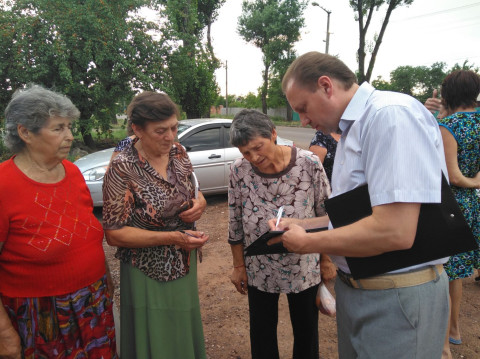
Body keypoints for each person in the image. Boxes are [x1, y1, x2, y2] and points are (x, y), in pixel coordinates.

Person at [270, 52, 450, 359]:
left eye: (302, 108)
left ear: (326, 86)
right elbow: (359, 216)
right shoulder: (354, 127)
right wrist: (302, 224)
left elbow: (394, 231)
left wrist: (308, 242)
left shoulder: (390, 115)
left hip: (396, 296)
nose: (303, 120)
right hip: (361, 291)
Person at [0, 85, 117, 359]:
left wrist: (107, 280)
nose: (70, 136)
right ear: (25, 132)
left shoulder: (74, 173)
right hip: (41, 316)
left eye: (69, 126)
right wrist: (4, 333)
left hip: (92, 301)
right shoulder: (4, 185)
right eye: (58, 128)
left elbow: (86, 234)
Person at [102, 91, 209, 358]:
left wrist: (201, 203)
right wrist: (173, 238)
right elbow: (114, 235)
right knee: (156, 333)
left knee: (182, 324)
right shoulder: (122, 168)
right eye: (161, 131)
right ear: (137, 129)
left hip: (183, 260)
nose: (170, 136)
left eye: (174, 128)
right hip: (145, 270)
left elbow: (195, 188)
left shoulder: (178, 152)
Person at [228, 109, 335, 359]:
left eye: (258, 147)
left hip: (304, 263)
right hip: (260, 266)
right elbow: (235, 220)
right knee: (262, 332)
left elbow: (327, 213)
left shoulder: (308, 162)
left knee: (306, 330)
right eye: (246, 152)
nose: (253, 157)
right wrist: (238, 265)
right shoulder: (239, 170)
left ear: (273, 134)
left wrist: (327, 260)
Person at [434, 70, 480, 358]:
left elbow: (453, 176)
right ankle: (455, 331)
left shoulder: (449, 126)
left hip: (452, 205)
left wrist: (474, 181)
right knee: (459, 274)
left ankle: (444, 341)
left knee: (446, 271)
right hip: (473, 205)